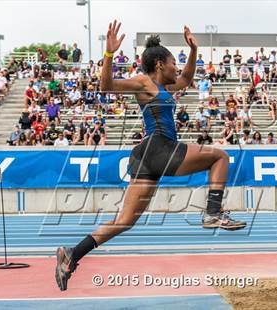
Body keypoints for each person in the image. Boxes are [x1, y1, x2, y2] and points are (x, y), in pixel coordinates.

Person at [55, 21, 246, 291]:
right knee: (220, 157)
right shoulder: (143, 82)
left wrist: (193, 50)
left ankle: (72, 254)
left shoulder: (164, 87)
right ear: (158, 64)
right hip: (159, 147)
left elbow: (187, 79)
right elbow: (106, 86)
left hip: (147, 155)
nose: (175, 68)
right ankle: (213, 212)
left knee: (125, 221)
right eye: (172, 63)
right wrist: (109, 54)